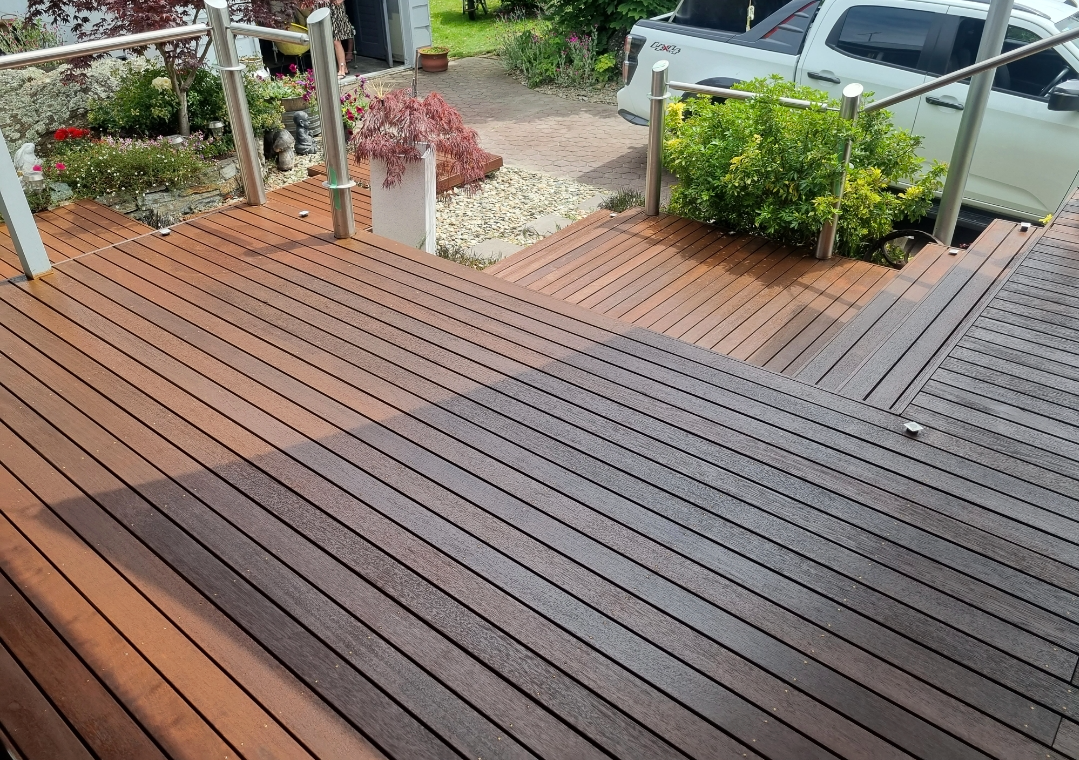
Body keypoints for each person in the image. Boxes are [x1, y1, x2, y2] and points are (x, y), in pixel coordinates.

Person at [330, 0, 355, 78]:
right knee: (333, 40)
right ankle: (344, 68)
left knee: (336, 40)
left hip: (336, 10)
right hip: (326, 9)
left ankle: (342, 70)